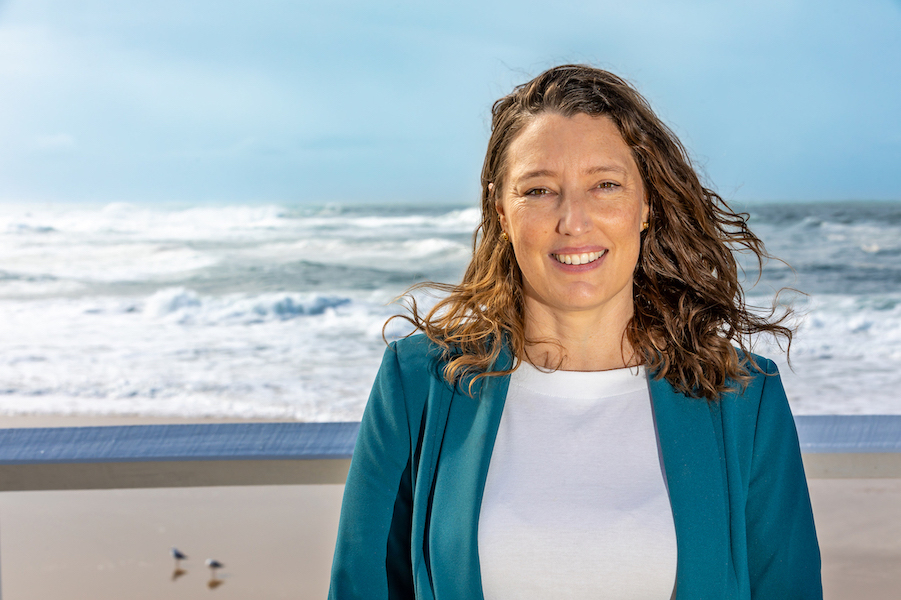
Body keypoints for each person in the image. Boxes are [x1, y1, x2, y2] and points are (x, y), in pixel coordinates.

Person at [329, 65, 821, 599]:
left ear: (646, 203)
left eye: (605, 185)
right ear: (501, 209)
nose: (573, 220)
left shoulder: (743, 397)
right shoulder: (419, 383)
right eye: (539, 190)